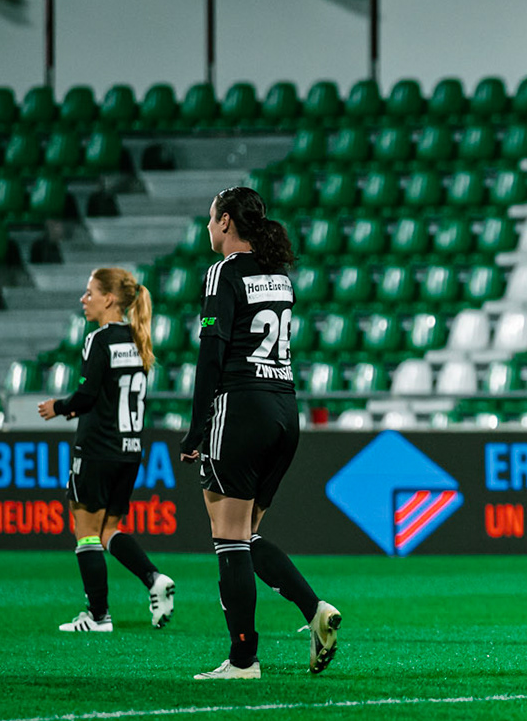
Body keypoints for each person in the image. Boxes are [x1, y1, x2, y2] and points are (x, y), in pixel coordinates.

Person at [179, 186, 342, 680]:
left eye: (211, 220)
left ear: (227, 222)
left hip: (241, 407)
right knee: (247, 535)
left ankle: (244, 659)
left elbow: (212, 353)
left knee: (229, 540)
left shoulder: (224, 271)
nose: (209, 229)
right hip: (284, 408)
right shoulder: (279, 276)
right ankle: (314, 611)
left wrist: (196, 428)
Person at [37, 267, 177, 633]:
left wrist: (59, 407)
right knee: (108, 531)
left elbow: (85, 396)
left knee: (85, 531)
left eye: (89, 293)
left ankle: (98, 616)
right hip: (130, 450)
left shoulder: (99, 340)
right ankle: (152, 579)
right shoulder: (139, 338)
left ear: (109, 299)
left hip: (97, 447)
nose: (84, 300)